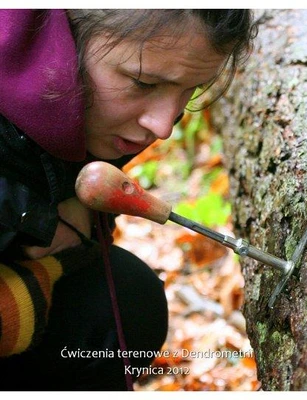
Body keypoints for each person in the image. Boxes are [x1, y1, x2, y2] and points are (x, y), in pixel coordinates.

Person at [0, 9, 257, 390]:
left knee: (127, 303)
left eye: (191, 90)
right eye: (142, 82)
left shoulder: (80, 100)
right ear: (62, 41)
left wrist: (58, 197)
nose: (164, 125)